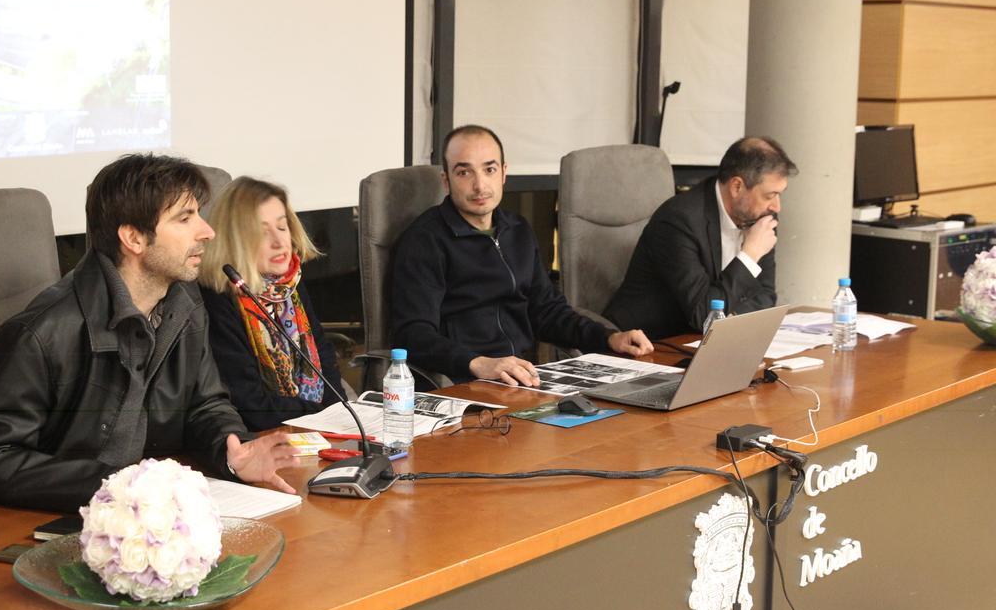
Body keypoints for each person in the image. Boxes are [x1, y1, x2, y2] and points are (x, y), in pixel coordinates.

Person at [0, 154, 299, 512]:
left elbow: (206, 405)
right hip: (49, 517)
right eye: (184, 218)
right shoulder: (44, 332)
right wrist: (114, 485)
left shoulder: (184, 304)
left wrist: (233, 454)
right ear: (133, 238)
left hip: (138, 513)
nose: (207, 231)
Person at [390, 124, 653, 387]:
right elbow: (414, 334)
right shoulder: (425, 241)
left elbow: (547, 311)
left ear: (504, 173)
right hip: (463, 383)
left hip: (524, 377)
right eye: (464, 172)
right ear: (446, 180)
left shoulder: (517, 230)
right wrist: (478, 363)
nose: (479, 185)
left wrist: (608, 338)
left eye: (489, 169)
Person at [604, 136, 798, 339]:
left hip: (704, 343)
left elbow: (765, 296)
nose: (776, 206)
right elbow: (703, 315)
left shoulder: (762, 216)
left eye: (779, 195)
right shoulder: (679, 221)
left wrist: (731, 319)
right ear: (736, 187)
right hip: (647, 344)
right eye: (769, 195)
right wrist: (749, 255)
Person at [196, 177, 343, 430]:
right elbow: (250, 405)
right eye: (263, 232)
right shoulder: (217, 299)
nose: (279, 242)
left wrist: (338, 414)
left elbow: (324, 359)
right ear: (236, 240)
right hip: (260, 440)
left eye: (282, 227)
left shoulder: (288, 285)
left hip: (316, 428)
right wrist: (321, 415)